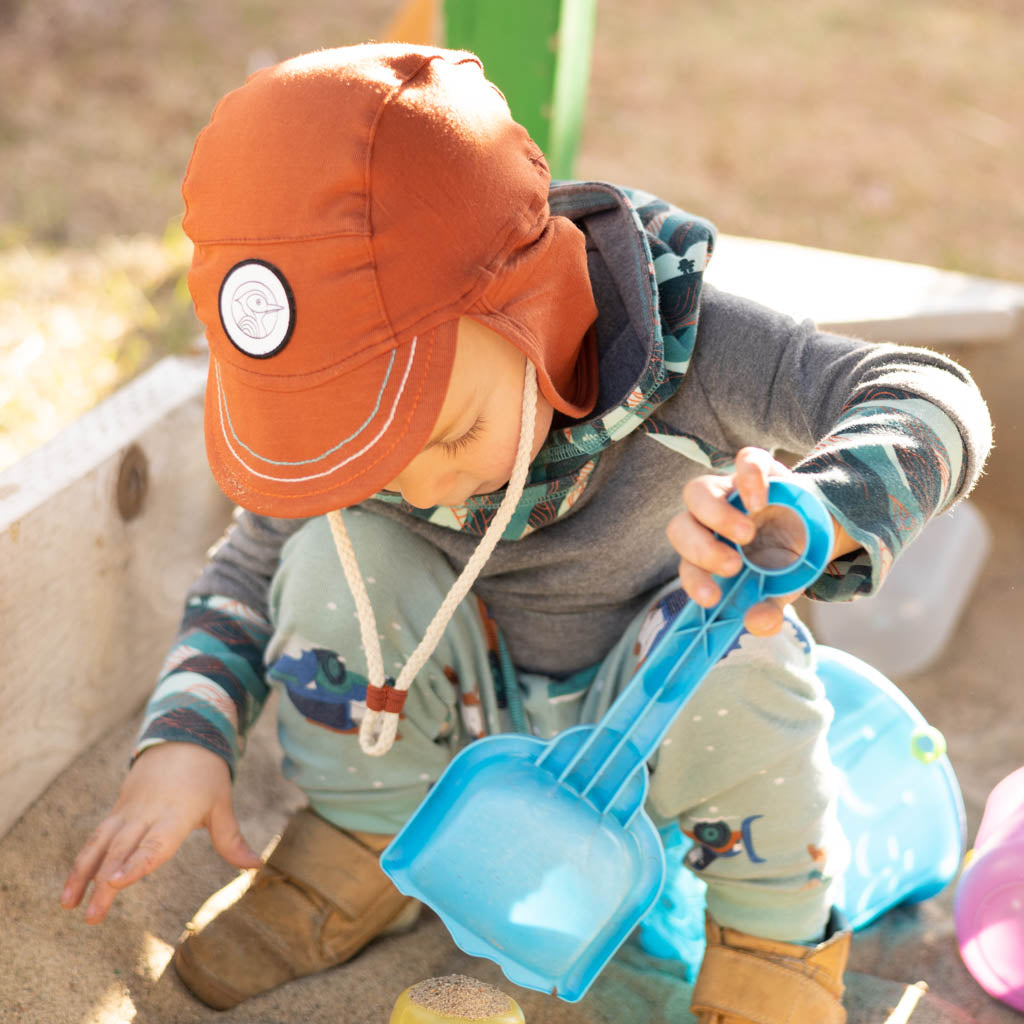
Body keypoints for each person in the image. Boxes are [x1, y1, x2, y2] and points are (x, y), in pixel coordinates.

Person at [60, 44, 991, 1023]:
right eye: (372, 458)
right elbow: (248, 571)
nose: (417, 485)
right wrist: (187, 739)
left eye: (449, 432)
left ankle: (771, 946)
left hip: (659, 721)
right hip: (440, 725)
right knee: (335, 554)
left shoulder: (696, 352)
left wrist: (828, 508)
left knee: (744, 650)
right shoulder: (354, 436)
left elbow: (933, 395)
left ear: (535, 304)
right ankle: (366, 836)